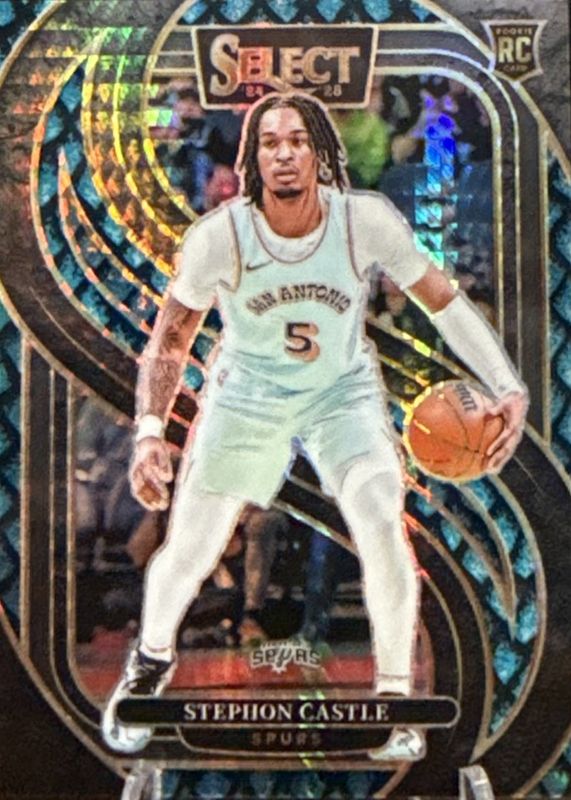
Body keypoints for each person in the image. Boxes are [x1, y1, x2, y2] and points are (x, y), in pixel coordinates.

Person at [102, 92, 528, 759]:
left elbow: (442, 302)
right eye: (269, 142)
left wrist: (506, 385)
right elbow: (170, 341)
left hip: (340, 392)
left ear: (321, 153)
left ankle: (394, 700)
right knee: (191, 547)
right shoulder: (220, 236)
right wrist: (151, 432)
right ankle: (149, 665)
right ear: (252, 159)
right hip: (248, 395)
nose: (284, 154)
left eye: (297, 140)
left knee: (381, 520)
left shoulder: (365, 220)